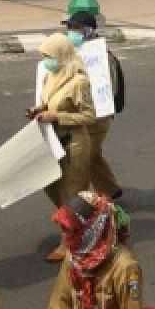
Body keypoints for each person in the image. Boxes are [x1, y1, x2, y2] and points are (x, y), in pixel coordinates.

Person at [30, 33, 95, 263]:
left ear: (62, 55)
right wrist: (40, 110)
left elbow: (89, 116)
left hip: (74, 143)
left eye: (50, 56)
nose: (47, 60)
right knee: (49, 185)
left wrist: (56, 116)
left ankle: (70, 244)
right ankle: (80, 225)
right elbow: (48, 102)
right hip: (53, 142)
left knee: (71, 195)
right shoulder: (51, 75)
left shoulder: (79, 81)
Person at [64, 10, 123, 198]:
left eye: (76, 28)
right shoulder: (72, 54)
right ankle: (110, 189)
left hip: (98, 116)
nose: (71, 32)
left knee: (81, 160)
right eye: (69, 27)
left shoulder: (102, 57)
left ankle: (78, 204)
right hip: (81, 115)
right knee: (92, 153)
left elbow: (110, 89)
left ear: (88, 30)